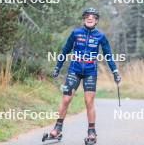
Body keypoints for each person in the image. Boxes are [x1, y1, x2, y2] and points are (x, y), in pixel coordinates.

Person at [50, 8, 121, 143]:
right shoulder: (76, 33)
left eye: (93, 17)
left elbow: (108, 56)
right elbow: (65, 50)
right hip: (74, 70)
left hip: (90, 72)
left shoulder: (100, 36)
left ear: (96, 20)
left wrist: (115, 72)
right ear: (84, 19)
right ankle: (57, 129)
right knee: (66, 99)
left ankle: (92, 132)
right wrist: (57, 67)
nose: (90, 18)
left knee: (89, 102)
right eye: (87, 16)